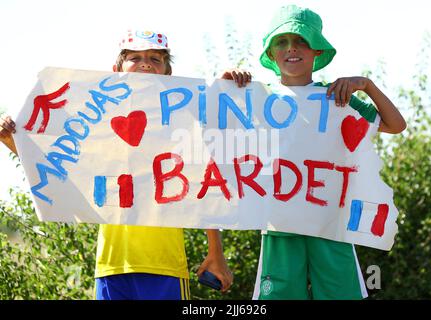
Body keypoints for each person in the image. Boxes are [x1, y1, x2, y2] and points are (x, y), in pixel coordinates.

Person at [0, 29, 251, 300]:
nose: (145, 63)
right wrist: (14, 142)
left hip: (165, 264)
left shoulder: (183, 124)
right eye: (135, 57)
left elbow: (205, 183)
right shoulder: (98, 127)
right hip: (111, 264)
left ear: (168, 72)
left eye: (156, 58)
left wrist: (216, 252)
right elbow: (64, 169)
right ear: (116, 69)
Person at [252, 5, 407, 300]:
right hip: (279, 225)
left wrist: (367, 85)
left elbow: (395, 125)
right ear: (271, 54)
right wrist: (226, 82)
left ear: (318, 52)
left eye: (301, 41)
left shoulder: (338, 97)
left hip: (331, 225)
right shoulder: (257, 97)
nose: (291, 49)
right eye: (281, 42)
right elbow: (211, 128)